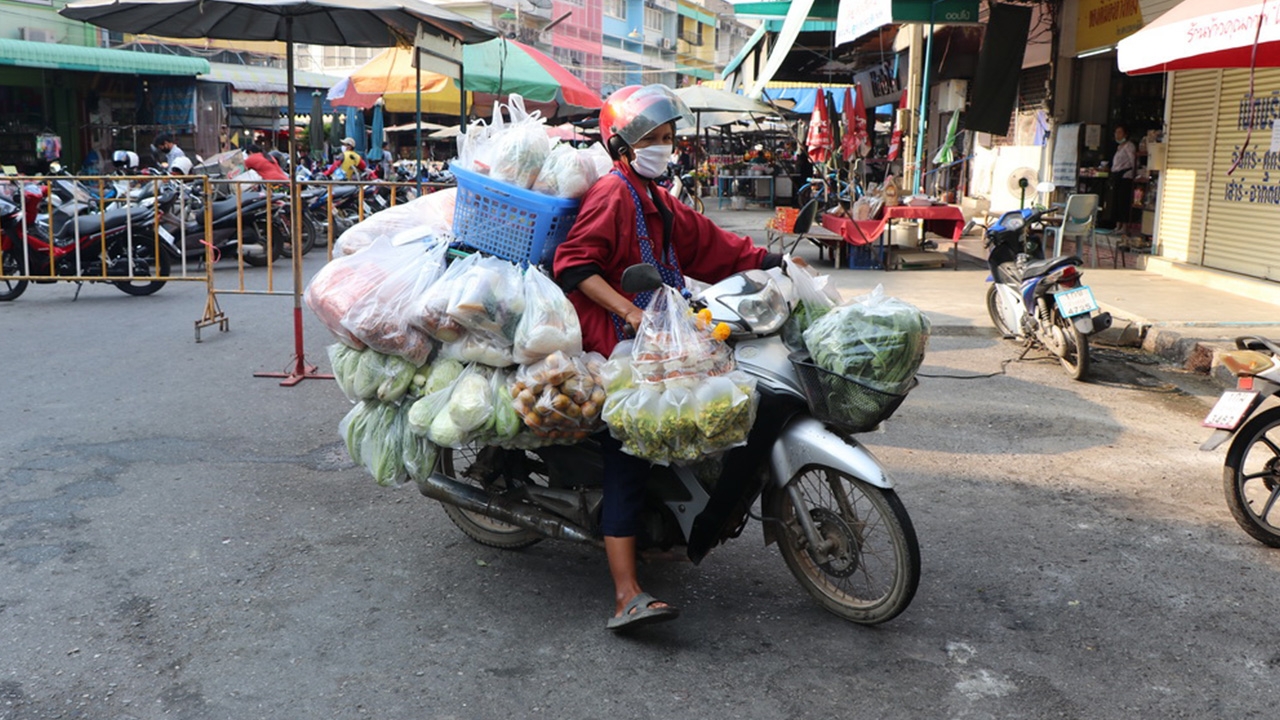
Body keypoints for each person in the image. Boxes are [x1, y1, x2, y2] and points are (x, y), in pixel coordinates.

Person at [552, 84, 796, 632]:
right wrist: (632, 315)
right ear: (621, 147)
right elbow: (572, 265)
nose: (664, 147)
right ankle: (625, 592)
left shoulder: (657, 198)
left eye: (667, 137)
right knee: (631, 446)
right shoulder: (614, 194)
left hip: (658, 328)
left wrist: (770, 259)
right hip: (610, 333)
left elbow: (707, 243)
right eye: (651, 139)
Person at [1108, 124, 1137, 229]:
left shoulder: (1129, 146)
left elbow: (1133, 160)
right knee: (1115, 201)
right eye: (1116, 132)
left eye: (1120, 132)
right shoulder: (1119, 147)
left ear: (1125, 134)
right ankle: (1117, 225)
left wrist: (1133, 174)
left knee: (1123, 201)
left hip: (1125, 176)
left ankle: (1124, 226)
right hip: (1117, 174)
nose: (1117, 135)